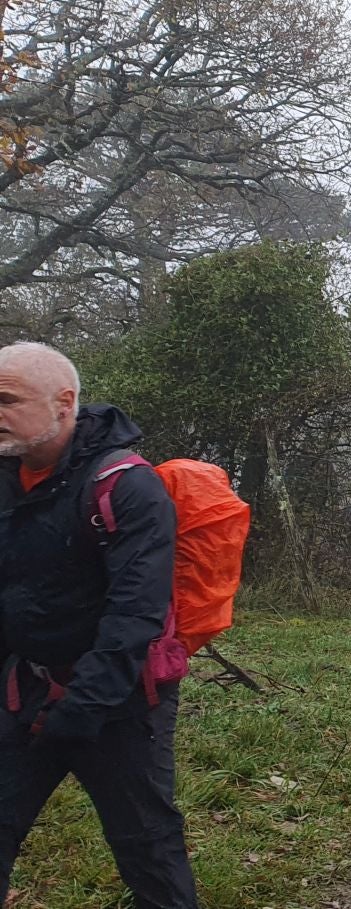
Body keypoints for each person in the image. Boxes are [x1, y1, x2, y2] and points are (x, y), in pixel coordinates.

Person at [0, 342, 198, 907]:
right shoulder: (6, 479)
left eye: (8, 400)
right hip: (25, 691)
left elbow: (135, 613)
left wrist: (82, 708)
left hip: (122, 702)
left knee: (148, 851)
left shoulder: (127, 487)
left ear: (64, 403)